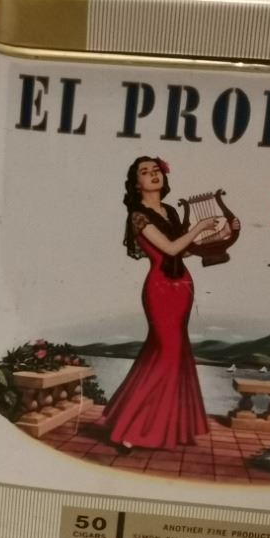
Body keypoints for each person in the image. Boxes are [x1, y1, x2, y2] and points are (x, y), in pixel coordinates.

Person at [98, 156, 227, 451]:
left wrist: (220, 234)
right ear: (136, 184)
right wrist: (199, 227)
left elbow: (184, 252)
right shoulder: (137, 216)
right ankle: (130, 430)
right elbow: (169, 248)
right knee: (167, 354)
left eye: (156, 170)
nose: (154, 174)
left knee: (171, 354)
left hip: (183, 287)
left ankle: (167, 428)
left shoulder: (169, 211)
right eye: (145, 172)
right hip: (160, 289)